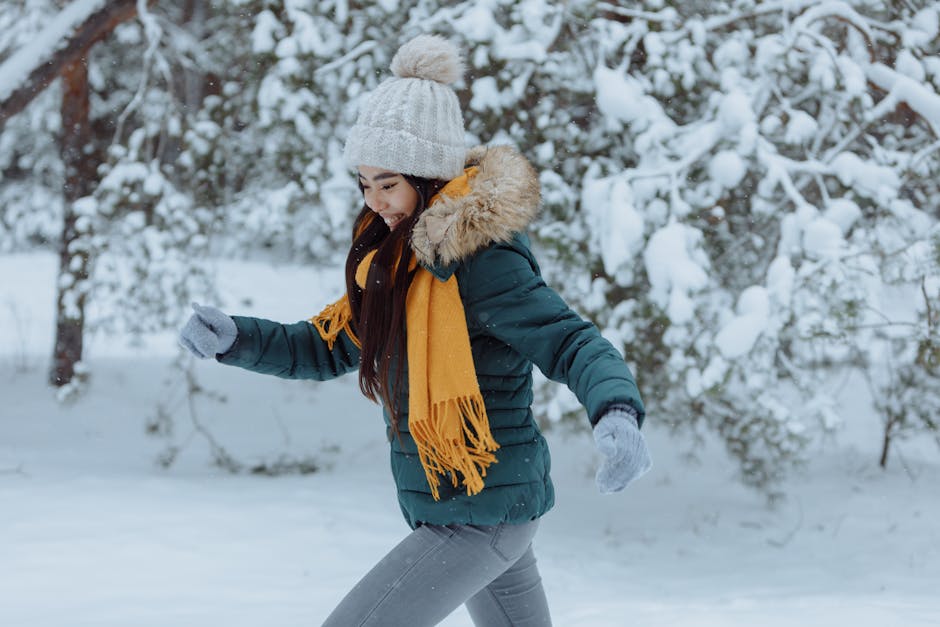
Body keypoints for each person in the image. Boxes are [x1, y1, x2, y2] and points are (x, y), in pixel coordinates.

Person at [178, 34, 651, 627]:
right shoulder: (394, 268)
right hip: (475, 504)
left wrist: (615, 410)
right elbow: (324, 347)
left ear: (427, 177)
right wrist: (238, 339)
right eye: (366, 184)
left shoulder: (481, 261)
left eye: (389, 183)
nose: (375, 202)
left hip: (480, 510)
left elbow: (569, 340)